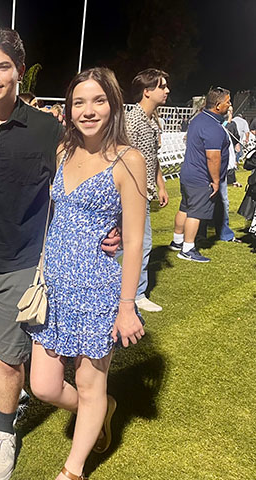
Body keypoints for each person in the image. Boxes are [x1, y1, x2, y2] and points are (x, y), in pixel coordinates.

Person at [0, 27, 120, 480]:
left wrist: (108, 227)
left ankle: (4, 429)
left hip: (23, 264)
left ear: (19, 71)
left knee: (8, 355)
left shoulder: (50, 132)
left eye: (3, 66)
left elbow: (88, 178)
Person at [28, 67, 146, 480]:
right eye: (79, 102)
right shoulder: (63, 151)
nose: (88, 110)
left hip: (98, 288)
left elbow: (133, 238)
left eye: (98, 100)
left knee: (90, 382)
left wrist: (127, 305)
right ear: (69, 109)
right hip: (55, 286)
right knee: (42, 385)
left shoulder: (127, 160)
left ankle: (71, 474)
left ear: (113, 105)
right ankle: (102, 412)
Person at [125, 68, 170, 313]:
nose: (167, 91)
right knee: (139, 243)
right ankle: (134, 294)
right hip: (132, 193)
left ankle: (133, 291)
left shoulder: (153, 120)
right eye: (162, 86)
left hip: (145, 191)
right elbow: (121, 159)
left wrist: (160, 186)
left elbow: (153, 158)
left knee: (139, 243)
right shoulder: (133, 120)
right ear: (147, 91)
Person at [170, 87, 232, 262]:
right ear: (218, 105)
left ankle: (177, 241)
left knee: (185, 208)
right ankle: (187, 248)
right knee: (195, 213)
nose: (229, 105)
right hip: (200, 176)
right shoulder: (213, 126)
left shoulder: (198, 119)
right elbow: (212, 156)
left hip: (188, 172)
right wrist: (215, 180)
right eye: (228, 101)